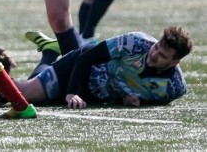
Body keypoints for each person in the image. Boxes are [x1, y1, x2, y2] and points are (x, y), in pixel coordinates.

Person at [18, 26, 190, 108]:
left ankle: (49, 51)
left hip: (96, 95)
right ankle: (48, 53)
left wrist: (131, 101)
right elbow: (87, 58)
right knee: (23, 95)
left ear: (175, 62)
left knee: (42, 100)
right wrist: (72, 92)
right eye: (156, 47)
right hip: (80, 67)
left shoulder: (174, 88)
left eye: (162, 56)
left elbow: (151, 100)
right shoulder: (135, 42)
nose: (154, 54)